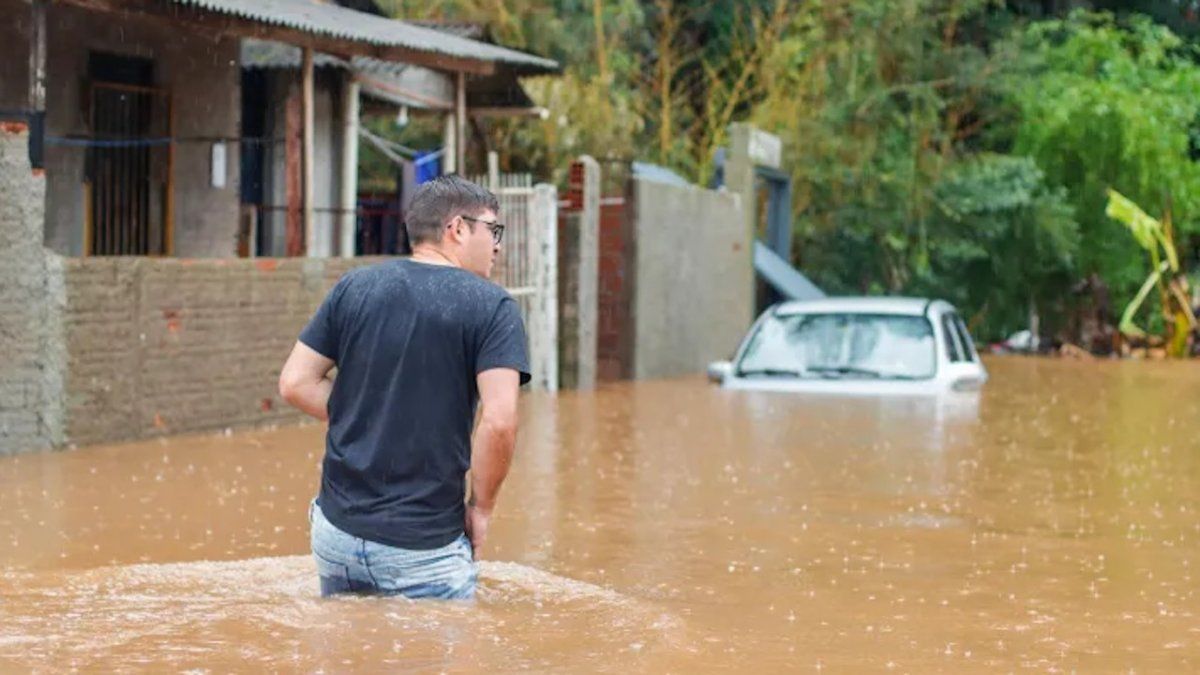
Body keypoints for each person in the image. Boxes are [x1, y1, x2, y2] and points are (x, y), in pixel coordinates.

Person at [278, 175, 530, 600]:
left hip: (336, 534)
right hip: (423, 545)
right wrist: (481, 508)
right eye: (493, 230)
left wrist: (369, 412)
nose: (498, 245)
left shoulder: (354, 287)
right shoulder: (493, 307)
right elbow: (500, 422)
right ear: (457, 228)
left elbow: (295, 383)